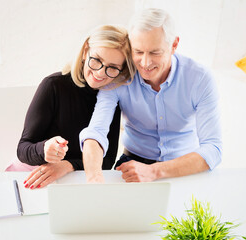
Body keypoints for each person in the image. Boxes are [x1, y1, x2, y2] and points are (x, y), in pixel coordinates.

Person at [80, 8, 222, 183]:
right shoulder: (119, 77)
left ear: (174, 45)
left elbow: (213, 148)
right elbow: (96, 132)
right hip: (132, 163)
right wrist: (94, 177)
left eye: (155, 52)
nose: (145, 63)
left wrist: (154, 171)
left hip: (185, 167)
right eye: (138, 52)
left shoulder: (199, 79)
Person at [16, 24, 135, 189]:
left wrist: (68, 165)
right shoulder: (53, 86)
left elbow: (107, 161)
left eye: (112, 68)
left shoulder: (111, 97)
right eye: (97, 60)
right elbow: (23, 149)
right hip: (39, 175)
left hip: (76, 180)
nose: (100, 73)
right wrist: (44, 149)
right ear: (85, 51)